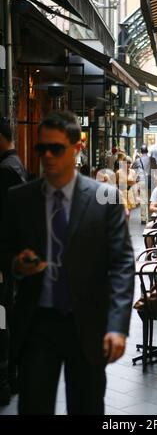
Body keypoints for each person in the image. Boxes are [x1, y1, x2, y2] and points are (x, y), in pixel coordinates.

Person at [0, 110, 135, 415]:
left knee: (86, 407)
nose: (47, 156)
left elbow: (122, 264)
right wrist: (16, 264)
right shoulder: (19, 198)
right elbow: (4, 247)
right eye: (41, 148)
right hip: (37, 323)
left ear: (76, 149)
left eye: (56, 148)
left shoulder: (105, 198)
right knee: (33, 406)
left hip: (86, 324)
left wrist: (117, 327)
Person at [0, 117, 28, 405]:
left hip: (6, 261)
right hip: (13, 260)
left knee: (2, 318)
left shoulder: (5, 170)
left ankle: (6, 379)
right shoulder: (16, 165)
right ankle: (12, 376)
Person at [132, 144, 157, 224]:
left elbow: (132, 169)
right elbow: (156, 170)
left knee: (143, 200)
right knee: (151, 199)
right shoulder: (152, 159)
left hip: (142, 180)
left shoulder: (137, 160)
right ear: (147, 151)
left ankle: (143, 218)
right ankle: (150, 217)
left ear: (141, 151)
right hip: (151, 181)